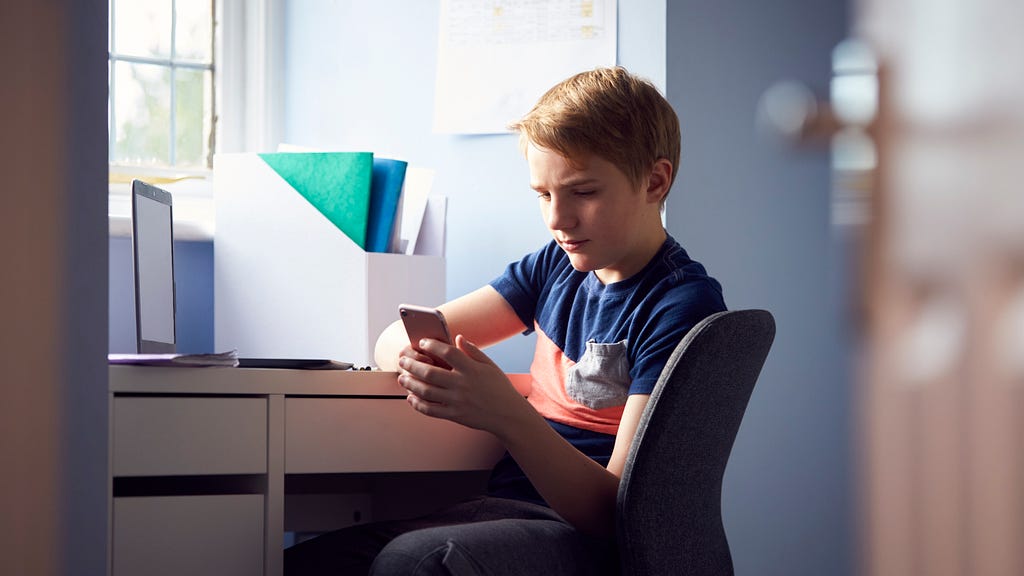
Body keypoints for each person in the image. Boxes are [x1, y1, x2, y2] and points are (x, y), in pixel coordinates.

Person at [284, 66, 726, 575]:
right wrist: (428, 365)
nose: (558, 219)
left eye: (583, 192)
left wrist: (503, 412)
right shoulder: (555, 266)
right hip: (503, 509)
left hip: (587, 535)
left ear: (654, 181)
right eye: (543, 195)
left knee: (415, 560)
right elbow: (395, 336)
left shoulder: (681, 305)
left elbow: (615, 512)